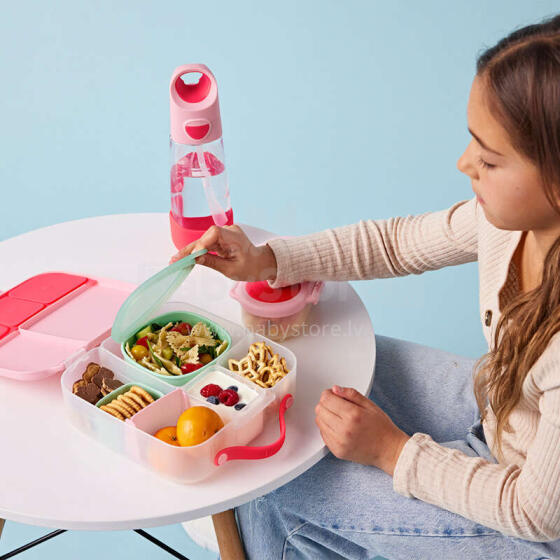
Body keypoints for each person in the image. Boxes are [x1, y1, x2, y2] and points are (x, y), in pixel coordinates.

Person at [171, 14, 560, 560]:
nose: (463, 163)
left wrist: (394, 452)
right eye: (473, 142)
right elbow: (396, 244)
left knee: (278, 489)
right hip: (502, 418)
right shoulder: (508, 221)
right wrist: (267, 260)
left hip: (540, 526)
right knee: (318, 377)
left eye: (490, 160)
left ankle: (256, 534)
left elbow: (535, 511)